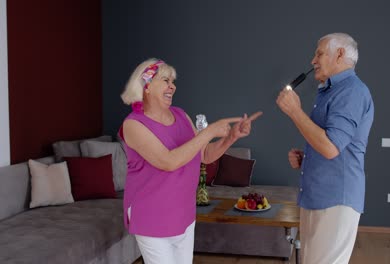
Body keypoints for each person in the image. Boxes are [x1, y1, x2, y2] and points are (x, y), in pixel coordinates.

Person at [119, 58, 262, 264]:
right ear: (147, 86)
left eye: (173, 81)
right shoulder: (133, 125)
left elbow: (205, 155)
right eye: (165, 80)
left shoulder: (181, 115)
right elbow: (168, 161)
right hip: (150, 214)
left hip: (183, 212)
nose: (172, 86)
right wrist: (209, 131)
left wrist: (231, 137)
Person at [276, 33, 374, 264]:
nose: (313, 60)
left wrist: (295, 112)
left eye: (319, 53)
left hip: (335, 200)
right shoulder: (330, 91)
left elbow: (330, 147)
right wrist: (307, 157)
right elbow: (328, 144)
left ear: (340, 54)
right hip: (317, 197)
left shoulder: (351, 92)